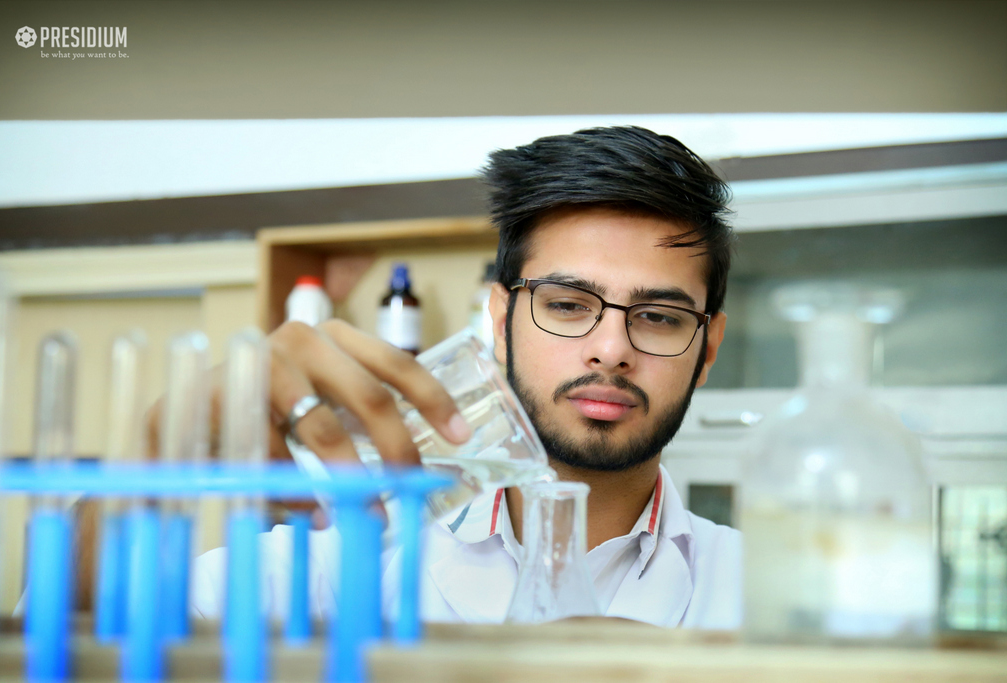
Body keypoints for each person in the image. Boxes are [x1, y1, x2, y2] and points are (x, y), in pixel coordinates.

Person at [189, 126, 740, 628]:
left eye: (660, 317)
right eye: (568, 305)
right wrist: (174, 435)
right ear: (500, 323)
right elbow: (112, 610)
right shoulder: (352, 557)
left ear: (707, 348)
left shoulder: (757, 590)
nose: (611, 351)